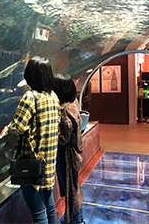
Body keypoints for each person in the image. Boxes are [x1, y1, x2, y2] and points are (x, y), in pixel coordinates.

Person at [5, 57, 60, 224]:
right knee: (49, 206)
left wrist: (10, 127)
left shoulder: (30, 97)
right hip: (48, 163)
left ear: (30, 75)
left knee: (38, 213)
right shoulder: (53, 97)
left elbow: (18, 128)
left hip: (32, 165)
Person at [53, 74, 85, 224]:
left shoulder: (65, 110)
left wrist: (52, 133)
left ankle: (75, 221)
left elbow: (64, 138)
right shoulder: (74, 102)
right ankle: (77, 219)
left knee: (71, 191)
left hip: (67, 155)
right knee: (74, 188)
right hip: (75, 152)